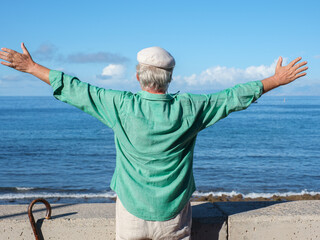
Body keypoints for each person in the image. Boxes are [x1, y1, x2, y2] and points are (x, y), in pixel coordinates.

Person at [0, 43, 308, 239]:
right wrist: (275, 81)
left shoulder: (120, 105)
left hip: (131, 215)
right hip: (174, 215)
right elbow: (231, 98)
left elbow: (75, 89)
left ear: (138, 77)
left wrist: (30, 68)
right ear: (170, 78)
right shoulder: (189, 108)